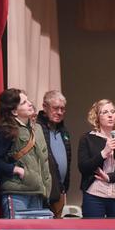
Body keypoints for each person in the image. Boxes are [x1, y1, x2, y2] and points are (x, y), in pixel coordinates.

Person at [0, 89, 52, 216]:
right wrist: (17, 170)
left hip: (37, 192)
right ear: (14, 111)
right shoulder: (7, 130)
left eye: (28, 100)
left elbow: (43, 160)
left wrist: (46, 188)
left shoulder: (37, 128)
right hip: (17, 193)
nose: (30, 104)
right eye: (24, 102)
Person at [77, 99, 115, 218]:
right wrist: (103, 153)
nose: (110, 115)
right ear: (97, 117)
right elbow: (83, 167)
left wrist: (110, 177)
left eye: (113, 112)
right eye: (105, 112)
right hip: (94, 195)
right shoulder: (87, 139)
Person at [36, 90, 71, 218]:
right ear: (45, 107)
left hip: (60, 192)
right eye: (56, 108)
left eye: (62, 109)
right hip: (43, 192)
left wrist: (64, 188)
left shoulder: (64, 131)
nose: (60, 112)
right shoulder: (36, 127)